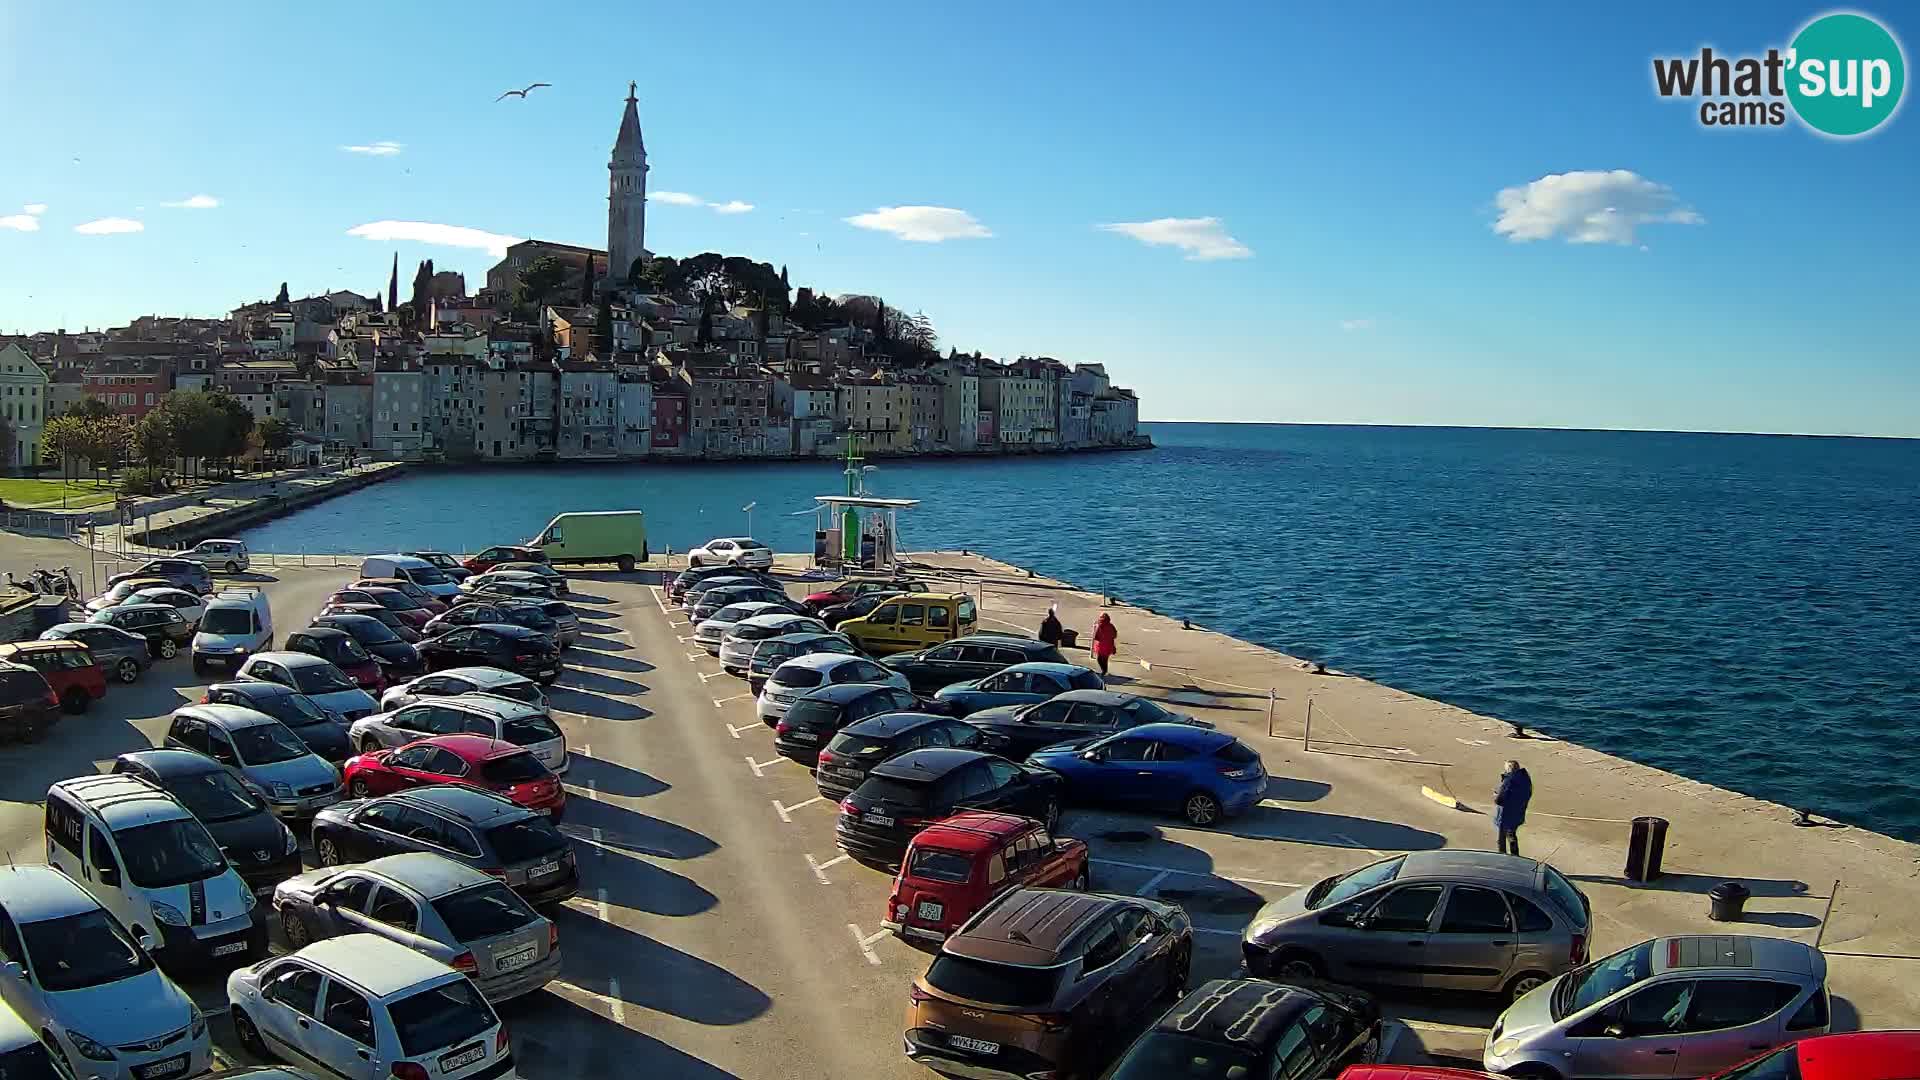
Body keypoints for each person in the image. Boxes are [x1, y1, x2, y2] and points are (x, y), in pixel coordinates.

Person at [1493, 759, 1532, 856]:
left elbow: (1499, 799)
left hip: (1506, 814)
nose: (1505, 771)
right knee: (1511, 835)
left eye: (1506, 768)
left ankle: (1502, 856)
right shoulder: (1525, 779)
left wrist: (1496, 795)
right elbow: (1528, 793)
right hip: (1518, 812)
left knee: (1501, 839)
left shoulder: (1509, 780)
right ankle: (1515, 856)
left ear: (1509, 769)